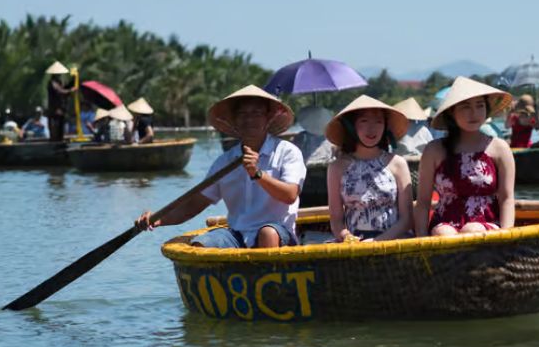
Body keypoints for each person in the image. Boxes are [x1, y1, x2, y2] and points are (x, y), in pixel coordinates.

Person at [136, 85, 305, 248]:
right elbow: (193, 204)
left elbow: (290, 195)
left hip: (279, 232)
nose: (249, 119)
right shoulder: (225, 162)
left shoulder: (287, 152)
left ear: (268, 118)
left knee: (267, 234)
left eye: (256, 113)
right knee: (200, 244)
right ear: (234, 120)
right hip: (237, 235)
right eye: (242, 114)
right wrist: (159, 219)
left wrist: (257, 173)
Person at [414, 76, 516, 236]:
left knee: (472, 230)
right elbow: (423, 203)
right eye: (465, 107)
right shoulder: (434, 150)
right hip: (444, 226)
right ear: (452, 112)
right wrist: (420, 240)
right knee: (445, 233)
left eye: (479, 106)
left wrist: (507, 235)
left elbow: (507, 198)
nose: (474, 113)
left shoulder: (499, 148)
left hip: (487, 225)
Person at [325, 95, 414, 242]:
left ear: (385, 126)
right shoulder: (336, 168)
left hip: (395, 241)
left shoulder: (397, 163)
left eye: (379, 121)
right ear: (351, 126)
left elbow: (407, 219)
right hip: (355, 243)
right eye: (364, 121)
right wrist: (347, 238)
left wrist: (377, 242)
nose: (371, 128)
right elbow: (336, 219)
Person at [45, 61, 74, 142]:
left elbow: (64, 90)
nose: (60, 75)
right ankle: (54, 141)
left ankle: (59, 140)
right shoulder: (52, 83)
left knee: (61, 126)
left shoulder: (59, 82)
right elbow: (60, 92)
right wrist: (70, 91)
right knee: (55, 127)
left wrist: (72, 84)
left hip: (61, 108)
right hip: (54, 109)